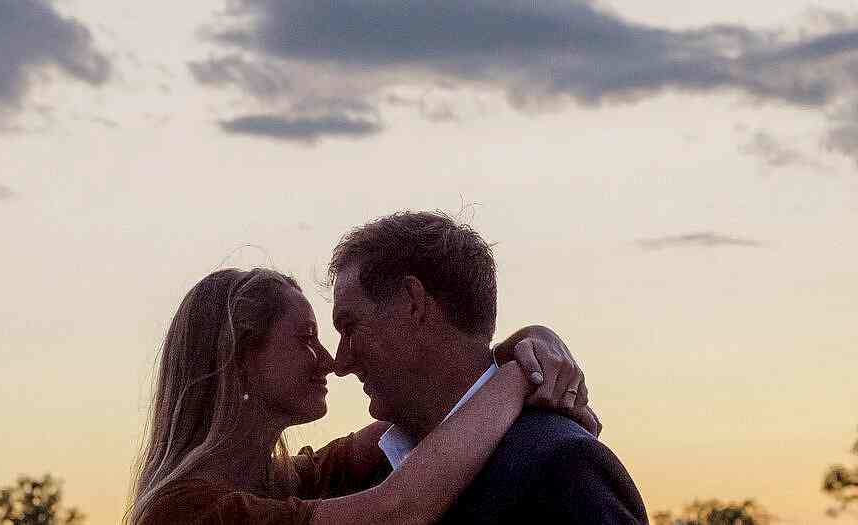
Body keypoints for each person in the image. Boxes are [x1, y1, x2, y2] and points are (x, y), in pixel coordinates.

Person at [128, 266, 598, 524]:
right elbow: (399, 508)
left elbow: (442, 408)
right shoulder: (187, 511)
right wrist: (518, 374)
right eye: (306, 338)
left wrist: (532, 341)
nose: (329, 360)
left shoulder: (289, 483)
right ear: (240, 361)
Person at [329, 211, 646, 523]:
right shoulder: (373, 480)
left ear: (413, 301)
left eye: (349, 326)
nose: (341, 364)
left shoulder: (564, 466)